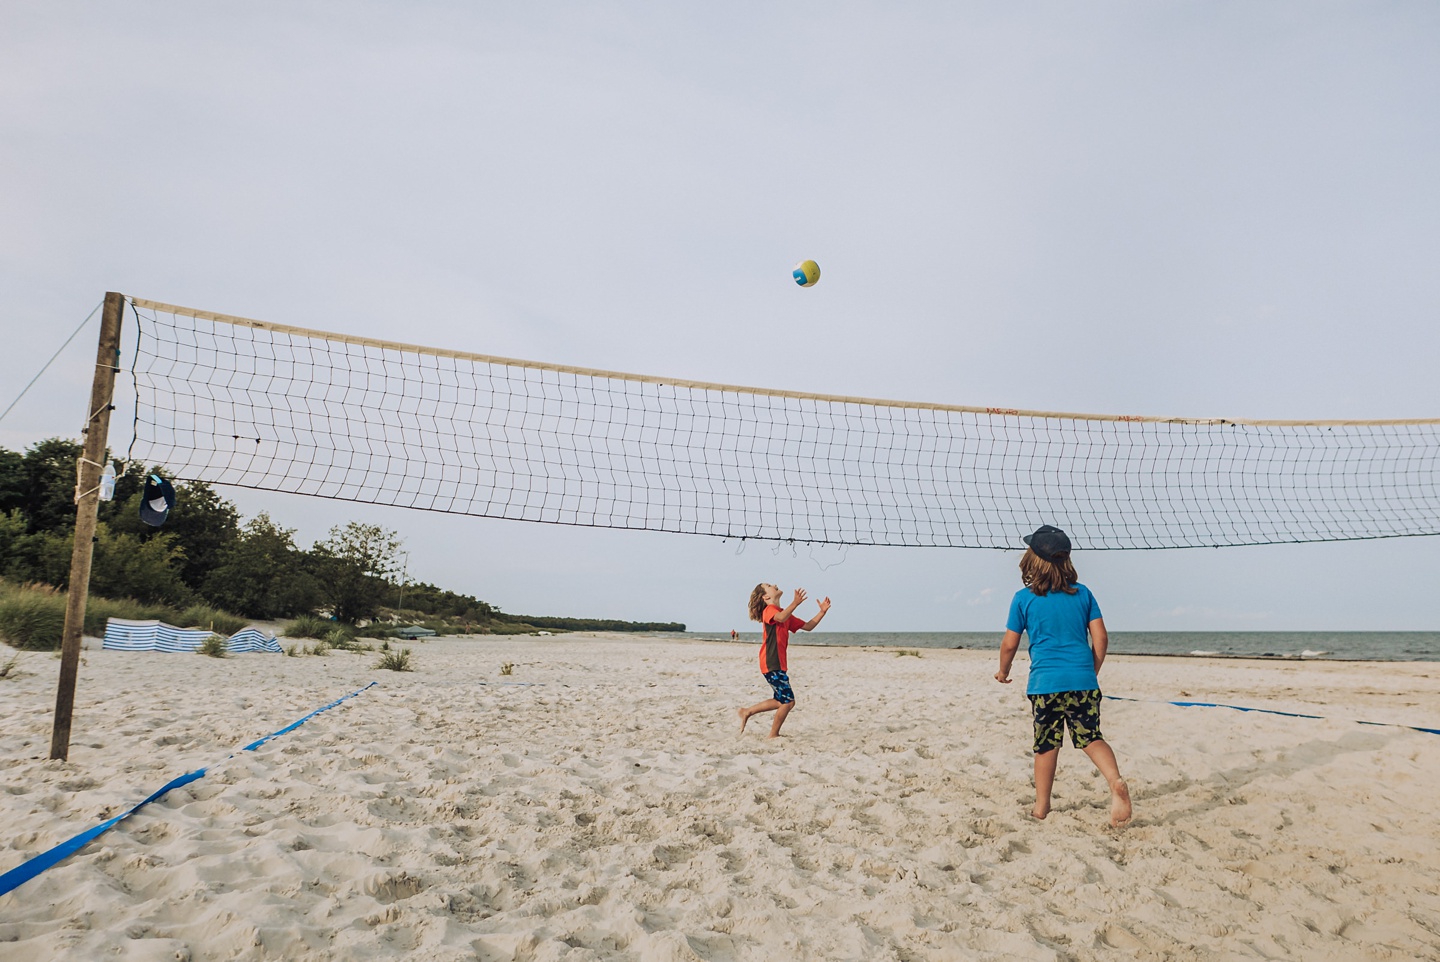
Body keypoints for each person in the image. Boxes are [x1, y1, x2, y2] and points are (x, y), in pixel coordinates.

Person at [994, 525, 1131, 827]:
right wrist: (1090, 670)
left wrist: (1003, 671)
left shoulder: (1023, 598)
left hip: (1045, 684)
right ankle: (1115, 781)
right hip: (1082, 681)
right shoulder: (1084, 594)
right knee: (1090, 737)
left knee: (1046, 745)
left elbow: (1009, 644)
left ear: (1032, 561)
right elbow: (1102, 639)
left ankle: (1042, 807)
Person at [737, 583, 831, 738]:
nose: (774, 585)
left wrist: (822, 612)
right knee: (788, 701)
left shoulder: (785, 614)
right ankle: (773, 735)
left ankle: (747, 712)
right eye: (769, 585)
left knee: (781, 700)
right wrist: (795, 603)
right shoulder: (770, 611)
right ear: (766, 597)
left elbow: (808, 626)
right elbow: (780, 617)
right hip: (770, 661)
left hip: (778, 663)